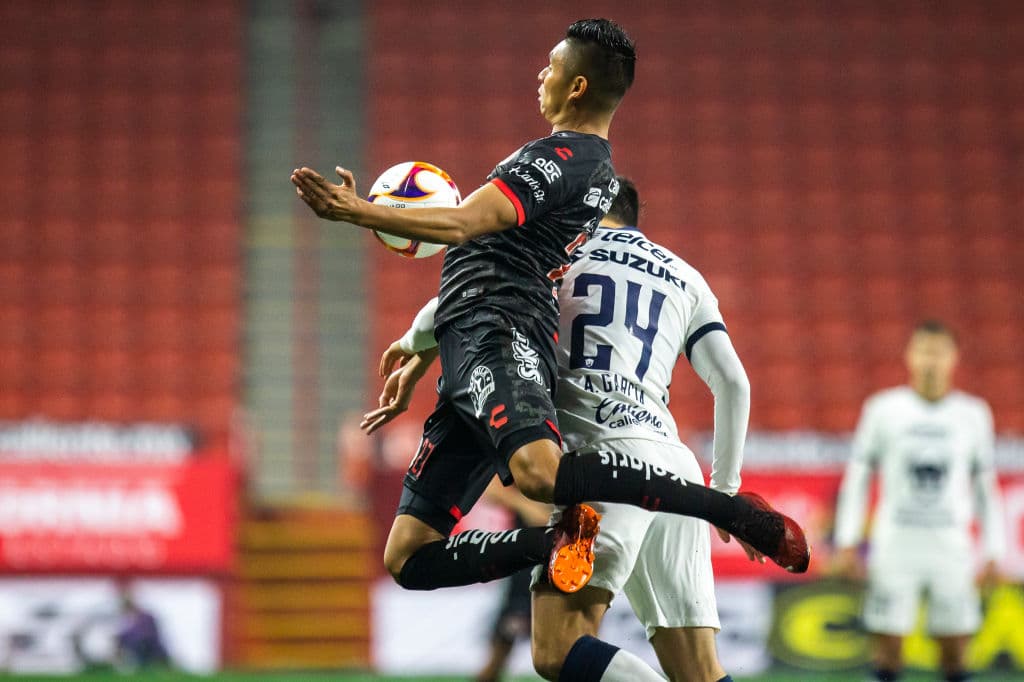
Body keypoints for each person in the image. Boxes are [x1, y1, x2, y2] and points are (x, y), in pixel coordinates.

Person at [295, 16, 803, 617]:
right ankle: (555, 543)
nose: (542, 73)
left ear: (578, 86)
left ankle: (730, 510)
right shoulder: (582, 165)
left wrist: (359, 213)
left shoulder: (568, 156)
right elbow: (484, 248)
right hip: (467, 337)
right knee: (408, 556)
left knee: (540, 474)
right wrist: (424, 346)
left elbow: (461, 225)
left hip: (500, 327)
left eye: (553, 66)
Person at [367, 178, 773, 682]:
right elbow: (733, 382)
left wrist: (411, 342)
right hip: (674, 463)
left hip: (598, 464)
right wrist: (727, 494)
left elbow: (460, 301)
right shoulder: (686, 277)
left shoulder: (554, 253)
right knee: (698, 669)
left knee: (558, 650)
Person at [833, 320, 1004, 682]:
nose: (931, 360)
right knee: (888, 650)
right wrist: (848, 542)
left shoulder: (973, 414)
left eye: (939, 352)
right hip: (896, 545)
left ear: (953, 358)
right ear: (909, 356)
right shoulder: (883, 409)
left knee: (956, 652)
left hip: (951, 547)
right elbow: (859, 479)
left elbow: (986, 489)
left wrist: (994, 550)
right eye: (924, 350)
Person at [473, 478, 551, 682]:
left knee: (568, 650)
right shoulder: (526, 451)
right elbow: (489, 490)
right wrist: (525, 505)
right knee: (502, 645)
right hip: (526, 565)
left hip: (569, 563)